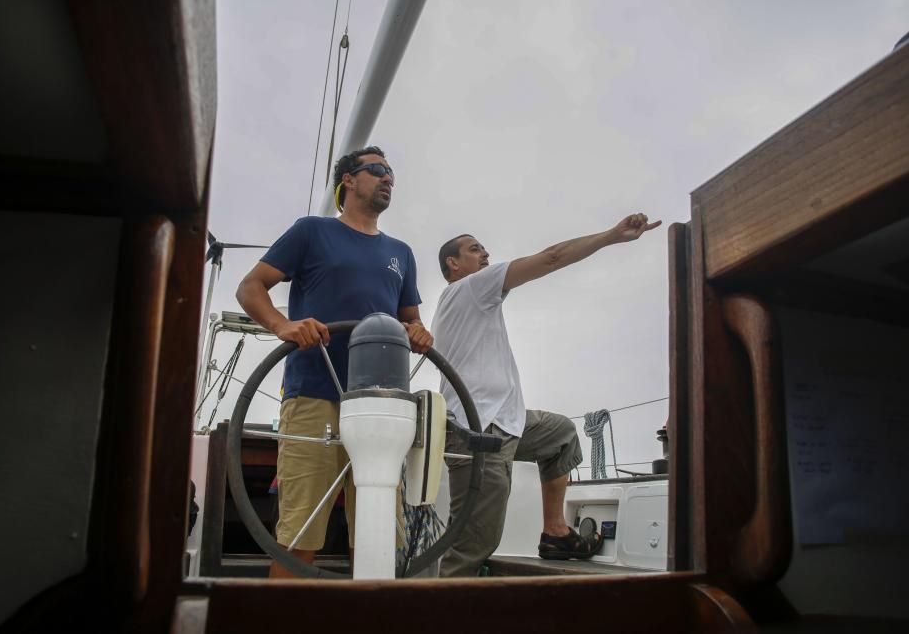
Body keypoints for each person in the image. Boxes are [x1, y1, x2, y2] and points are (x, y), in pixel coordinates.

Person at [237, 145, 433, 578]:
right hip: (314, 395)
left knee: (378, 535)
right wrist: (282, 326)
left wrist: (418, 330)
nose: (388, 179)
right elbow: (251, 287)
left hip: (381, 406)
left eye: (391, 173)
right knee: (300, 533)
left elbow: (411, 321)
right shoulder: (311, 232)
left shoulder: (401, 252)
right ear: (347, 180)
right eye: (378, 169)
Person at [432, 213, 660, 577]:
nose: (486, 254)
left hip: (508, 423)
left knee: (562, 434)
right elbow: (552, 256)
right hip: (479, 432)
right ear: (453, 264)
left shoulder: (463, 301)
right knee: (473, 547)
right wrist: (611, 236)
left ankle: (555, 532)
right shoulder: (470, 287)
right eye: (475, 249)